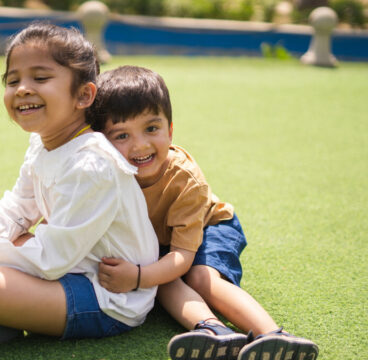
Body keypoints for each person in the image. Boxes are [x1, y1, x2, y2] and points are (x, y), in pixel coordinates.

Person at [0, 24, 159, 354]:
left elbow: (53, 259)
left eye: (40, 78)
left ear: (84, 95)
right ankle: (2, 316)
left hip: (107, 294)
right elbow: (18, 208)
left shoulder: (92, 165)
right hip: (70, 263)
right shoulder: (41, 144)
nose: (23, 89)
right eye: (13, 81)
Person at [89, 66, 319, 360]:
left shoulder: (185, 178)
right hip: (159, 241)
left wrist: (136, 277)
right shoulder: (99, 173)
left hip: (210, 226)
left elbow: (182, 258)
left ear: (170, 130)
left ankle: (274, 335)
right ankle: (214, 332)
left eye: (151, 128)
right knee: (162, 280)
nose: (141, 145)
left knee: (200, 277)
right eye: (121, 135)